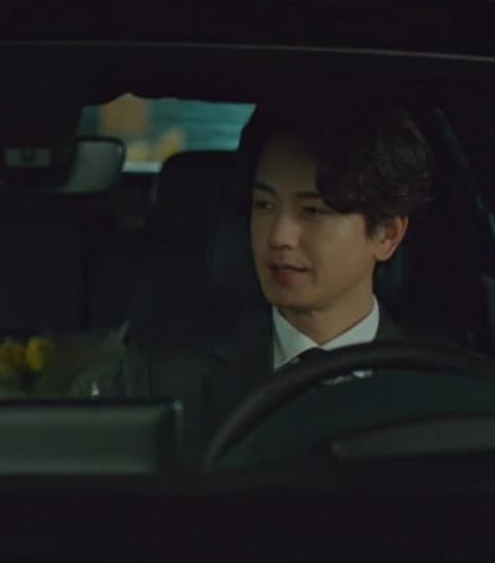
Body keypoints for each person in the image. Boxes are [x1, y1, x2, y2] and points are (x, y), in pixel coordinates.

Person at [120, 100, 435, 457]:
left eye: (313, 210)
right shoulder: (164, 374)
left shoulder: (440, 385)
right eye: (264, 205)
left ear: (386, 234)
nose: (278, 236)